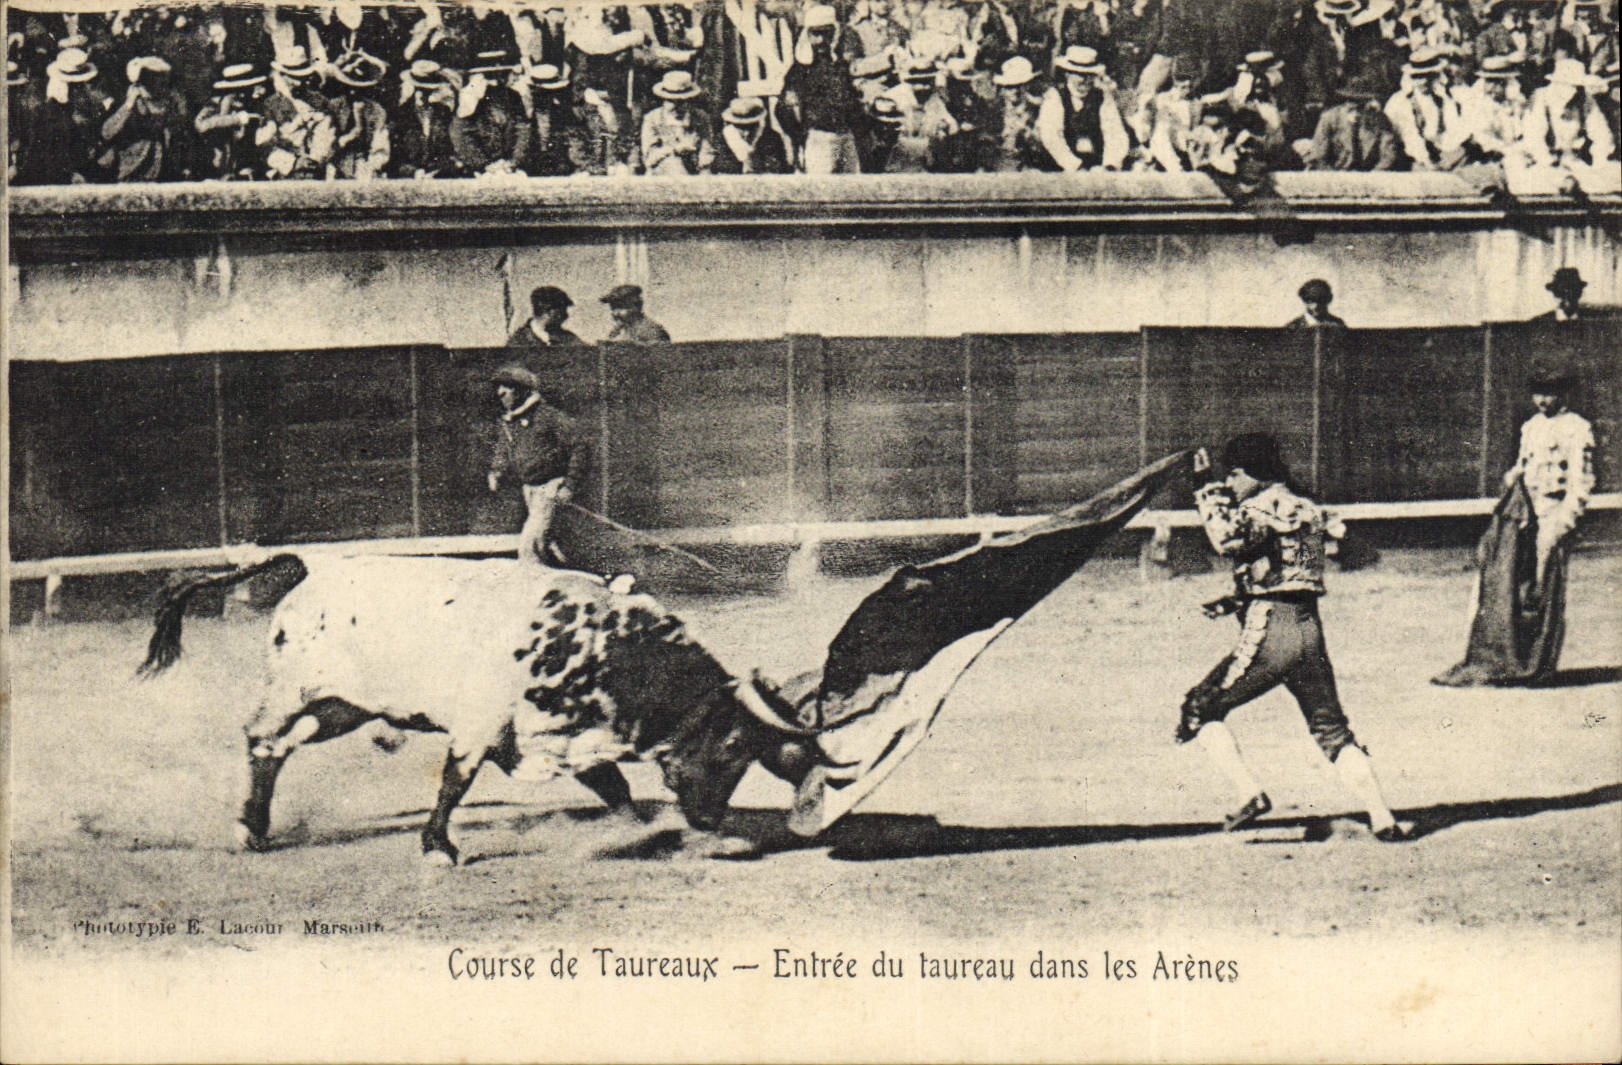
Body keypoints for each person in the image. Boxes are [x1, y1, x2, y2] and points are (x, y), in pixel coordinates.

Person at [1178, 434, 1409, 842]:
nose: (1230, 482)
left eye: (1233, 474)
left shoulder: (1257, 507)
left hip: (1271, 630)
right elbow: (1284, 573)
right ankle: (1383, 818)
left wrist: (1204, 487)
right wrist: (1234, 600)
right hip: (1310, 629)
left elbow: (1224, 539)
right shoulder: (1309, 507)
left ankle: (1249, 793)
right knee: (1332, 729)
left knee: (1200, 707)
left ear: (1254, 472)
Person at [1434, 371, 1594, 687]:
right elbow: (1523, 465)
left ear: (1564, 393)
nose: (1542, 400)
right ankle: (1509, 660)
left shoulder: (1578, 429)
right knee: (1509, 583)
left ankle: (1538, 666)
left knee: (1541, 587)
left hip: (1553, 513)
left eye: (1549, 393)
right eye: (1537, 393)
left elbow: (1582, 481)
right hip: (1525, 513)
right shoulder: (1531, 426)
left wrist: (1564, 522)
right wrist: (1512, 479)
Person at [487, 365, 586, 570]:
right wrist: (496, 471)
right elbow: (503, 449)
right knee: (549, 542)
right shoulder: (510, 422)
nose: (500, 393)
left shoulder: (548, 416)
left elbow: (580, 445)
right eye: (499, 388)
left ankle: (532, 582)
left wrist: (569, 485)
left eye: (507, 387)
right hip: (529, 489)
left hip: (550, 487)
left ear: (523, 391)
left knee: (530, 544)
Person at [779, 4, 865, 174]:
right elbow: (786, 111)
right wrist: (799, 143)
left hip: (846, 136)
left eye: (826, 33)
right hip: (818, 138)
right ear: (807, 35)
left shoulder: (840, 66)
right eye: (815, 33)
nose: (821, 40)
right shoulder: (800, 71)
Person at [1036, 45, 1129, 172]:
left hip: (1095, 165)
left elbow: (1115, 133)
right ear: (1068, 74)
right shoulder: (1055, 96)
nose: (1083, 80)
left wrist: (1110, 165)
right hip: (1059, 166)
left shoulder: (1102, 97)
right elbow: (1051, 137)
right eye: (1078, 74)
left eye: (1088, 75)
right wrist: (1075, 166)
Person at [640, 69, 716, 175]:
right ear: (663, 99)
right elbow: (649, 157)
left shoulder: (700, 118)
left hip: (694, 168)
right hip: (662, 171)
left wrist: (702, 163)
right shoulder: (652, 119)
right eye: (670, 101)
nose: (676, 106)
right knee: (675, 164)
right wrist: (673, 150)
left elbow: (707, 150)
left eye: (681, 102)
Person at [712, 96, 792, 174]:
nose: (746, 132)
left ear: (757, 122)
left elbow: (778, 167)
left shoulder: (771, 137)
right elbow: (720, 167)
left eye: (751, 126)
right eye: (740, 127)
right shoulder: (722, 139)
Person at [508, 286, 584, 352]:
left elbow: (586, 356)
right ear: (548, 310)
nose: (566, 316)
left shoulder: (569, 339)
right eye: (562, 311)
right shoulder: (518, 341)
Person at [601, 284, 671, 342]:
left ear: (637, 306)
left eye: (621, 307)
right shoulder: (618, 331)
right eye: (613, 308)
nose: (616, 313)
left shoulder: (651, 331)